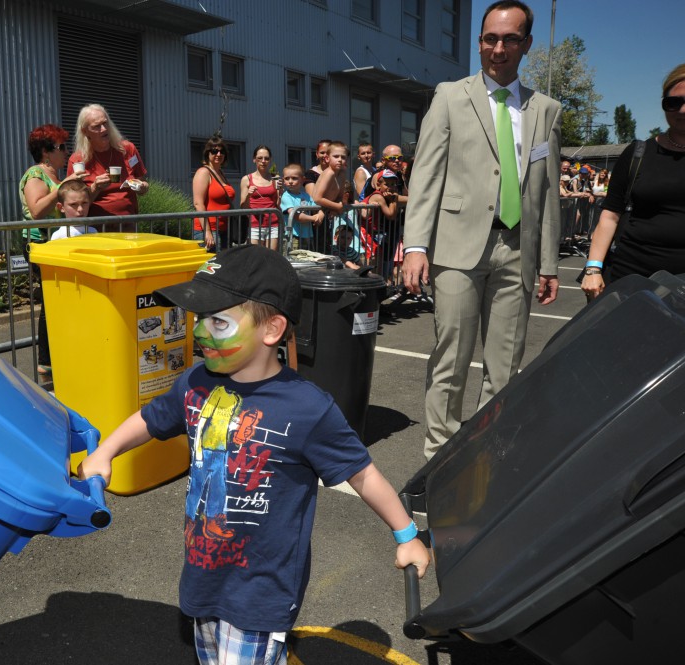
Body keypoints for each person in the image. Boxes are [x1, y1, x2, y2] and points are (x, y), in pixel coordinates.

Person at [77, 244, 429, 665]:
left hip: (261, 588)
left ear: (272, 329)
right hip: (203, 572)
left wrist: (406, 535)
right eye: (199, 320)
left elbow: (362, 474)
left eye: (218, 321)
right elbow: (152, 419)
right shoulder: (195, 383)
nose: (200, 333)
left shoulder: (307, 408)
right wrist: (107, 451)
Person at [402, 0, 561, 460]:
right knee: (450, 360)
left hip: (518, 248)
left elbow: (546, 189)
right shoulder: (451, 96)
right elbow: (426, 174)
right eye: (490, 38)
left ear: (526, 44)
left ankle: (487, 461)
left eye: (510, 39)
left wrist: (549, 261)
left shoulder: (544, 109)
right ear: (479, 42)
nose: (498, 48)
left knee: (505, 367)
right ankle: (438, 464)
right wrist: (416, 246)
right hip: (457, 247)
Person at [581, 63, 685, 299]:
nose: (681, 110)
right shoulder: (638, 153)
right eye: (673, 102)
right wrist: (593, 268)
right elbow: (610, 215)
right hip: (632, 278)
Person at [21, 123, 85, 376]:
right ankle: (45, 359)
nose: (66, 152)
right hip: (41, 244)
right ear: (46, 152)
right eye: (61, 147)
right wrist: (63, 185)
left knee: (62, 299)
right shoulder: (35, 175)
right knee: (52, 301)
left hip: (58, 243)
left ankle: (61, 351)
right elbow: (36, 211)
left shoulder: (57, 176)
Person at [67, 104, 148, 228]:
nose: (104, 129)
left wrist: (142, 187)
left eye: (105, 123)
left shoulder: (127, 149)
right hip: (95, 229)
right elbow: (74, 202)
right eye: (97, 126)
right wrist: (95, 188)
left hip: (127, 225)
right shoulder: (78, 160)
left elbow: (143, 183)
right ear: (85, 131)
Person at [192, 137, 236, 251]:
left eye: (222, 151)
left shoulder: (221, 173)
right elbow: (198, 204)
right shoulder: (203, 172)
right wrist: (207, 232)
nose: (218, 154)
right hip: (209, 231)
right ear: (208, 153)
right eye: (214, 151)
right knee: (212, 267)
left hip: (224, 229)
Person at [311, 141, 351, 254]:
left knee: (326, 247)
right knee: (318, 249)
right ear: (327, 158)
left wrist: (335, 208)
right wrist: (337, 207)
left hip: (327, 211)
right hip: (316, 212)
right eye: (336, 156)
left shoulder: (342, 172)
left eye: (343, 157)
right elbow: (317, 198)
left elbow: (339, 196)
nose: (340, 159)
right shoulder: (329, 173)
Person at [239, 146, 281, 250]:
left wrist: (281, 193)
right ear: (254, 159)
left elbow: (277, 204)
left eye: (266, 158)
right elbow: (243, 206)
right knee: (256, 257)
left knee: (271, 257)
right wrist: (249, 195)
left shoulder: (275, 178)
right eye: (260, 158)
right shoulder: (247, 179)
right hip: (254, 225)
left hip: (273, 224)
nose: (263, 161)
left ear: (270, 160)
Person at [279, 163, 323, 250]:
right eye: (287, 178)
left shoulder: (306, 195)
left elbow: (317, 209)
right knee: (293, 260)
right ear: (283, 180)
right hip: (293, 236)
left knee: (307, 260)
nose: (290, 181)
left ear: (303, 180)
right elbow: (296, 216)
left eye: (294, 178)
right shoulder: (286, 196)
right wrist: (314, 218)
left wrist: (320, 215)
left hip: (307, 235)